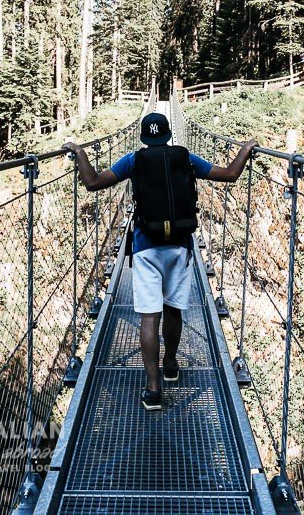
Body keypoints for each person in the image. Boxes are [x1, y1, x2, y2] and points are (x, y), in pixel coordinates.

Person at [64, 112, 257, 411]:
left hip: (145, 247)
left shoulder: (133, 160)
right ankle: (170, 363)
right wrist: (245, 149)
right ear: (168, 135)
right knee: (174, 308)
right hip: (179, 244)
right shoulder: (186, 158)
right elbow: (231, 174)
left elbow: (92, 182)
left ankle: (153, 391)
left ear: (143, 137)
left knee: (149, 317)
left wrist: (79, 152)